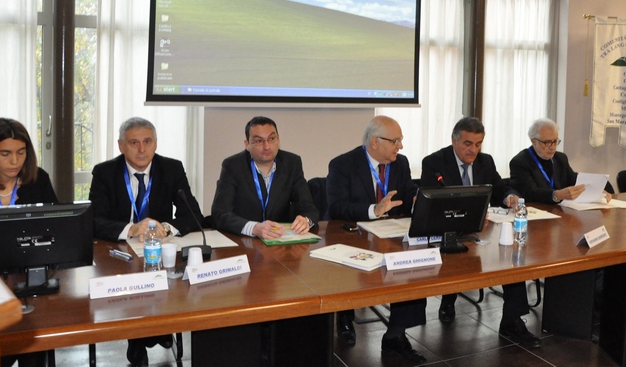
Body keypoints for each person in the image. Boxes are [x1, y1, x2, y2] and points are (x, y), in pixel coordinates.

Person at [89, 117, 205, 367]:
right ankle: (139, 340)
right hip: (120, 253)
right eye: (134, 143)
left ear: (155, 143)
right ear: (121, 145)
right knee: (134, 285)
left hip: (160, 248)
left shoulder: (171, 168)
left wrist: (164, 227)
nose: (142, 149)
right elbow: (93, 220)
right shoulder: (104, 172)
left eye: (147, 142)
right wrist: (131, 229)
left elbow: (193, 214)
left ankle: (159, 329)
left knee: (169, 279)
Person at [420, 116, 540, 347]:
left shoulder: (486, 162)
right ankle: (448, 297)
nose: (473, 150)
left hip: (483, 228)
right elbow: (432, 198)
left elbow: (499, 187)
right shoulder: (435, 162)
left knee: (511, 261)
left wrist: (509, 196)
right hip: (448, 230)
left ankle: (512, 320)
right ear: (454, 141)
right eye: (467, 144)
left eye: (478, 144)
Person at [326, 115, 426, 364]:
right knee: (351, 268)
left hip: (390, 234)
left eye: (400, 140)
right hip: (353, 233)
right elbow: (337, 207)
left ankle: (395, 335)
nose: (400, 146)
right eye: (395, 141)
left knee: (413, 268)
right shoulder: (342, 164)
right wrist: (374, 210)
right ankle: (345, 317)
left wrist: (417, 200)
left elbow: (408, 191)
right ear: (374, 142)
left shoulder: (400, 163)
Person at [0, 118, 57, 367]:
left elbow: (57, 228)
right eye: (5, 154)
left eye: (21, 152)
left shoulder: (38, 180)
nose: (15, 161)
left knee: (34, 345)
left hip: (29, 279)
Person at [211, 116, 319, 238]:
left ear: (278, 140)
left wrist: (305, 220)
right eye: (259, 141)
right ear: (247, 144)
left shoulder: (292, 163)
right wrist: (254, 228)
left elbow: (308, 207)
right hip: (244, 241)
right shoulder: (233, 166)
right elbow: (219, 214)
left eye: (271, 139)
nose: (267, 146)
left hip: (281, 241)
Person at [509, 118, 613, 204]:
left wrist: (596, 190)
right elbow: (529, 193)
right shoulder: (520, 162)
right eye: (547, 142)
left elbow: (574, 180)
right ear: (533, 141)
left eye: (555, 141)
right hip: (536, 214)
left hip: (560, 212)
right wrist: (557, 195)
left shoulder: (560, 158)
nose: (552, 147)